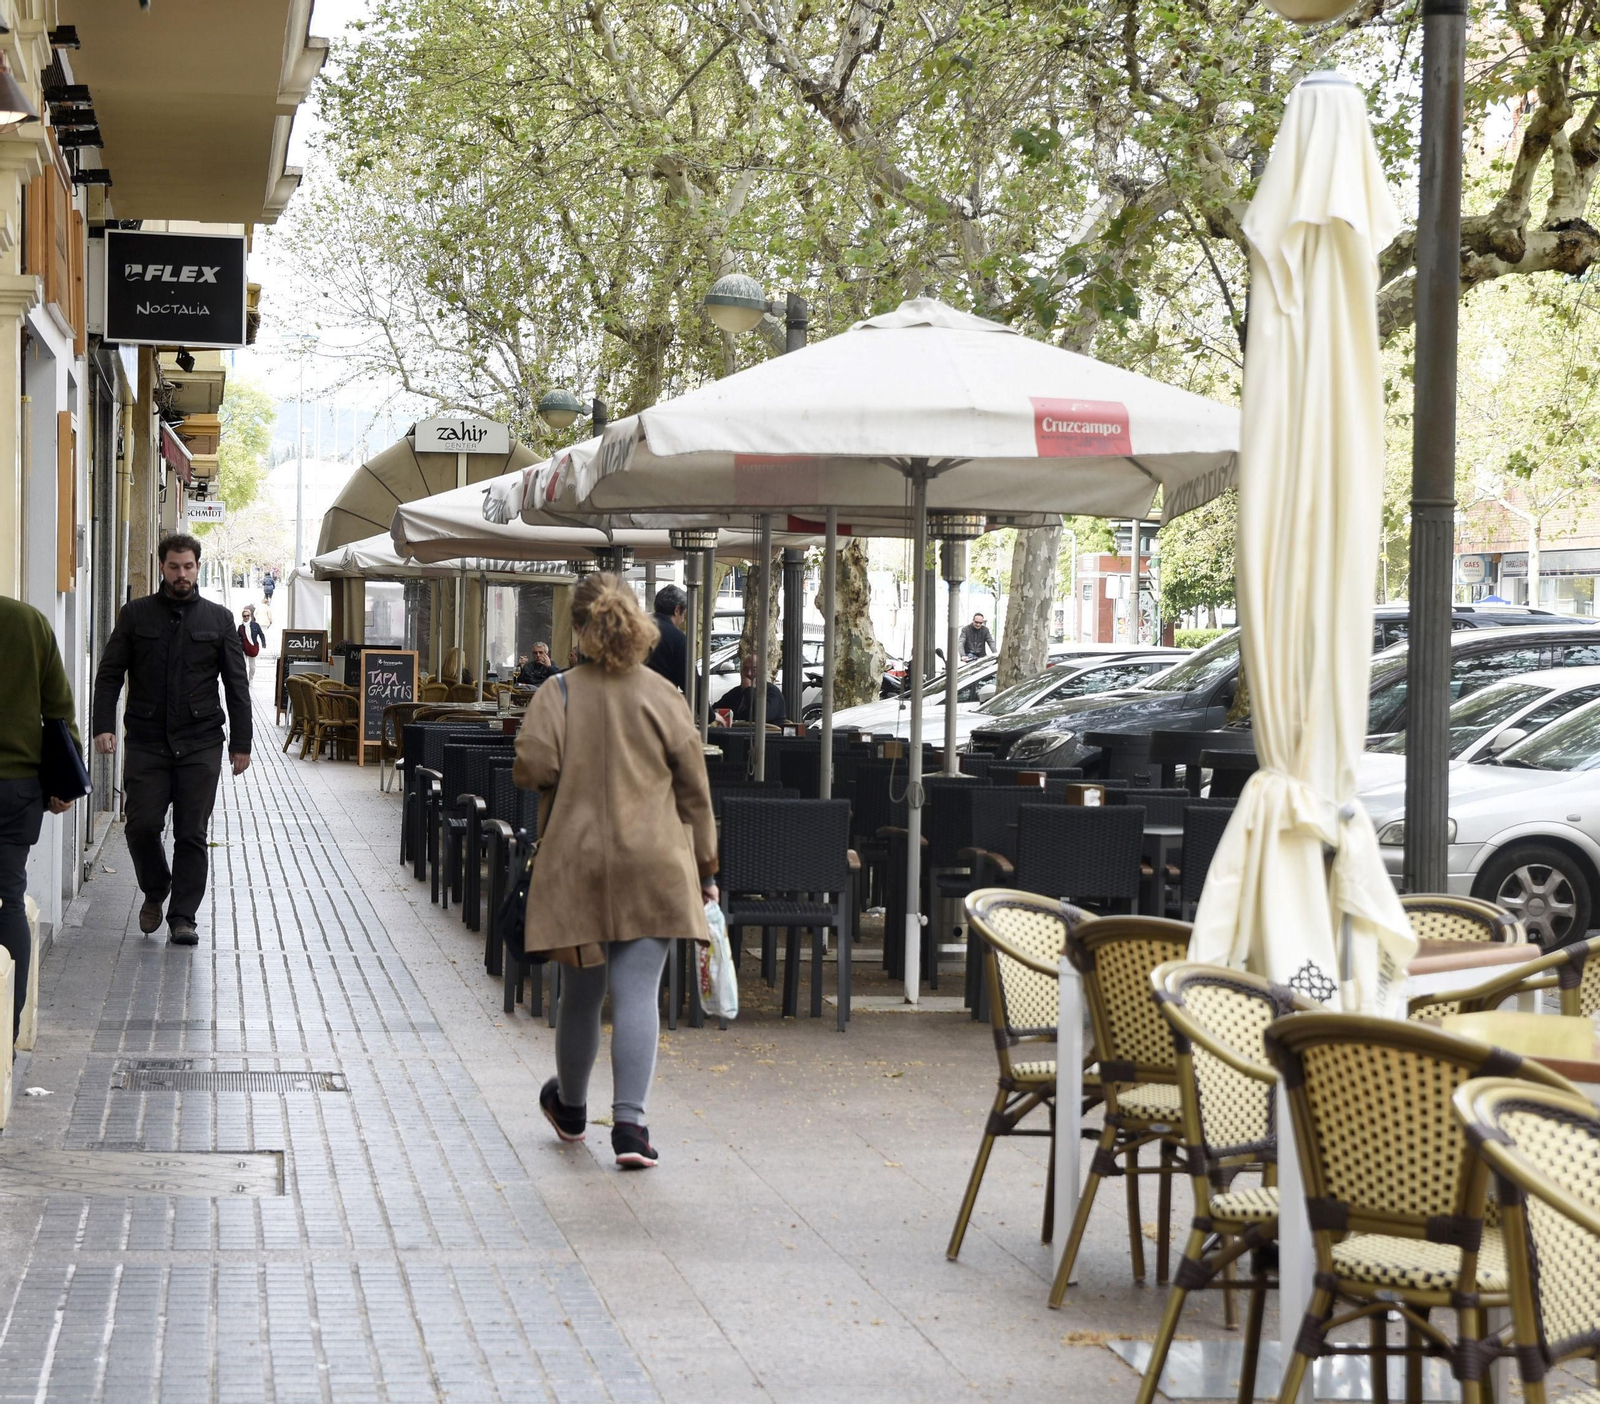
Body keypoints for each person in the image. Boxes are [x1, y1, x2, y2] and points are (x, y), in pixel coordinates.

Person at [515, 573, 716, 1170]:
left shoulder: (559, 692)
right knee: (637, 995)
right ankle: (630, 1128)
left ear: (578, 629)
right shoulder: (663, 695)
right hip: (653, 864)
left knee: (581, 992)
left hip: (578, 865)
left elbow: (532, 767)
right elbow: (694, 791)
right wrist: (706, 866)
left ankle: (572, 1108)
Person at [92, 533, 251, 946]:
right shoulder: (135, 615)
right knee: (141, 825)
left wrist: (242, 744)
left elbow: (237, 685)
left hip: (200, 743)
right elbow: (110, 674)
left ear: (198, 568)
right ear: (162, 567)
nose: (182, 575)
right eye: (174, 567)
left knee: (191, 833)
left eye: (189, 567)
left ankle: (183, 918)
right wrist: (103, 725)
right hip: (146, 740)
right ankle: (156, 886)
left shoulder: (218, 620)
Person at [0, 596, 81, 1039]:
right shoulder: (29, 621)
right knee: (8, 899)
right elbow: (59, 710)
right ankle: (5, 1039)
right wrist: (63, 782)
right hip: (18, 789)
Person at [713, 652, 786, 725]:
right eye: (745, 669)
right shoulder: (736, 692)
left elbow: (759, 715)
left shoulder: (772, 692)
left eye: (754, 670)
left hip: (766, 734)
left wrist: (748, 689)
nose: (749, 673)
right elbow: (716, 709)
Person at [644, 584, 688, 693]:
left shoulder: (637, 629)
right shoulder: (677, 638)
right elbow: (690, 681)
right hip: (661, 702)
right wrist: (708, 710)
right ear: (677, 610)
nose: (682, 620)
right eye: (684, 615)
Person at [238, 605, 267, 681]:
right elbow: (237, 637)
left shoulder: (255, 625)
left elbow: (261, 634)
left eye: (248, 615)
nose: (246, 617)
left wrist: (263, 643)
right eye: (244, 616)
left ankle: (250, 680)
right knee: (242, 666)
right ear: (242, 617)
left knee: (252, 667)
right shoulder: (240, 627)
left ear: (250, 616)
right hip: (243, 648)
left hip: (252, 648)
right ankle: (244, 680)